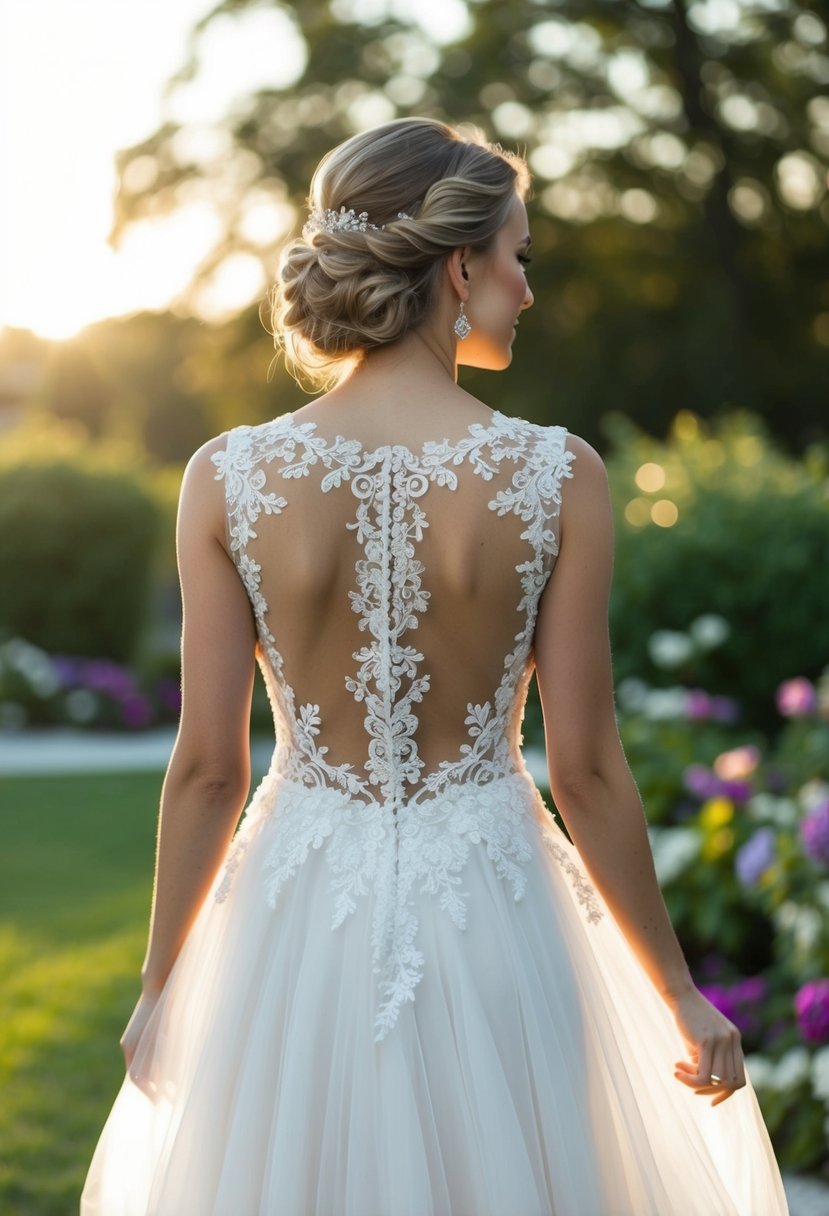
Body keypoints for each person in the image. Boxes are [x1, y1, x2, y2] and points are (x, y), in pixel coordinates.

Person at [81, 116, 788, 1215]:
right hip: (495, 914)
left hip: (291, 929)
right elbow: (588, 767)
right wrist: (678, 990)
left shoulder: (227, 476)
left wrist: (162, 983)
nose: (527, 286)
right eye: (519, 254)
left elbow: (208, 768)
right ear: (458, 266)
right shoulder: (558, 474)